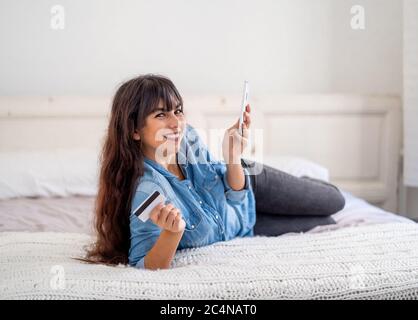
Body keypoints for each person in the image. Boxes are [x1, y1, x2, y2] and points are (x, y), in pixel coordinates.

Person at [85, 74, 345, 269]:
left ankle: (298, 181)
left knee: (334, 200)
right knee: (327, 223)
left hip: (247, 184)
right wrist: (171, 233)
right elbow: (143, 263)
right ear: (134, 129)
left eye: (177, 111)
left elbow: (234, 196)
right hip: (242, 226)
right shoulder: (149, 192)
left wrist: (233, 158)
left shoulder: (190, 140)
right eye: (161, 115)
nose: (176, 123)